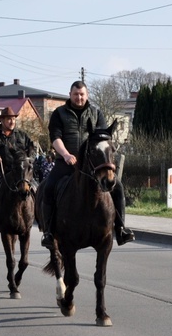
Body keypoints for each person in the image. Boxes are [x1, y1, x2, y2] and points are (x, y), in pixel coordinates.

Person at [39, 80, 135, 248]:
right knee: (48, 187)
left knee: (117, 187)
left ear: (87, 95)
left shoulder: (96, 113)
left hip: (92, 164)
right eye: (76, 94)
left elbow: (103, 137)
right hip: (66, 162)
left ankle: (120, 229)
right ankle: (48, 232)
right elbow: (55, 137)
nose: (79, 97)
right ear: (70, 95)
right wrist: (66, 154)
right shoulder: (59, 113)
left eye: (82, 94)